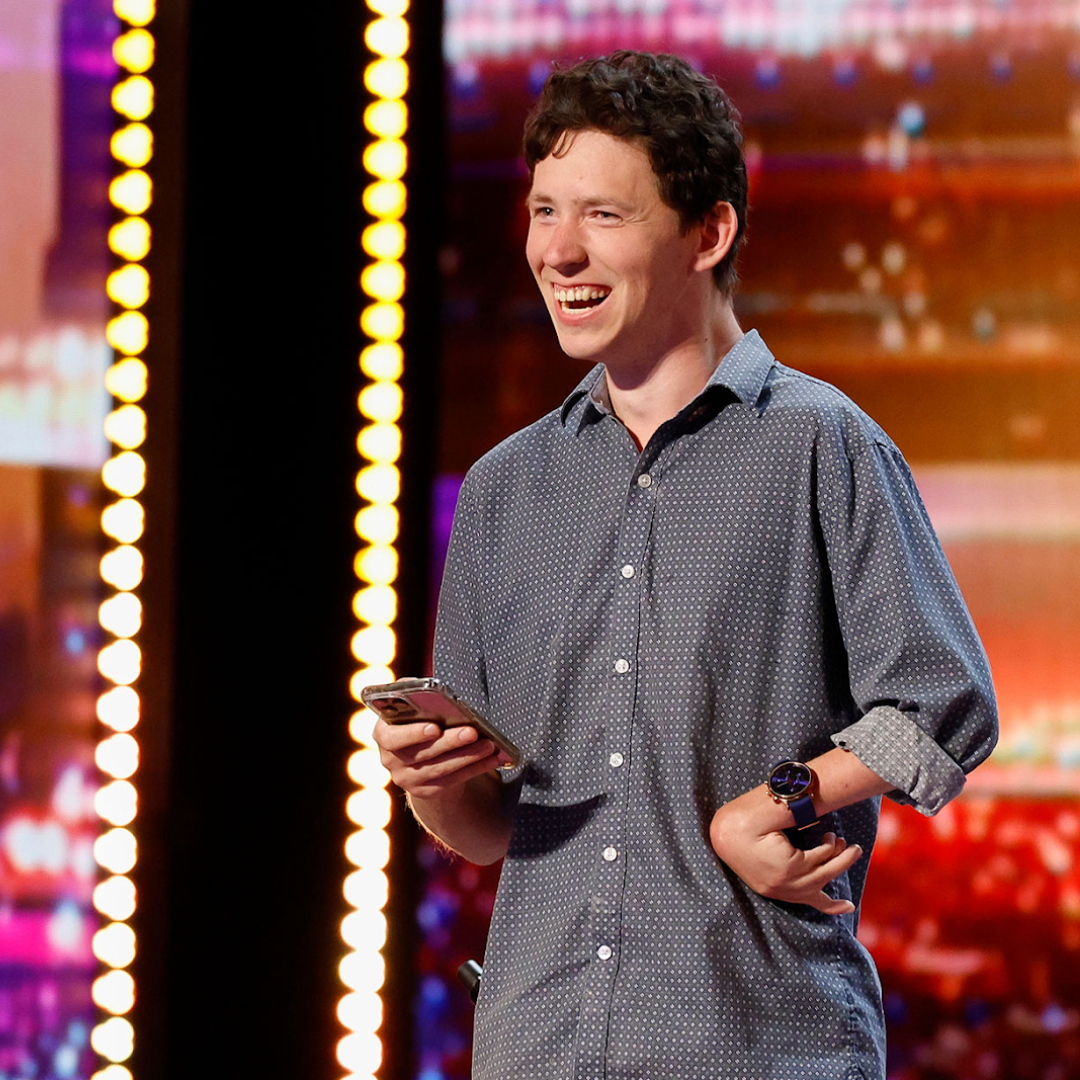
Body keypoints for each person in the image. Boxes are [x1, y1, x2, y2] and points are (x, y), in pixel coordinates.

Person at [374, 50, 997, 1080]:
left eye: (604, 217)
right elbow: (486, 832)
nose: (559, 252)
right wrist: (431, 786)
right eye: (543, 211)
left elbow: (943, 701)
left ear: (709, 232)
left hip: (758, 1047)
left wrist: (772, 802)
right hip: (541, 1047)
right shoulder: (501, 490)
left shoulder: (820, 445)